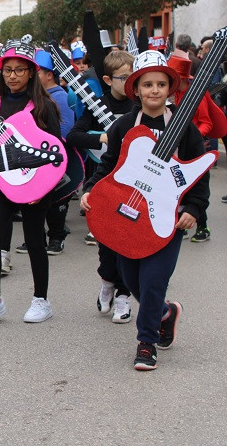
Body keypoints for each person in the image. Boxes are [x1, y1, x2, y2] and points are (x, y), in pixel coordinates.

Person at [81, 50, 208, 370]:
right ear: (135, 89)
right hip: (126, 215)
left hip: (167, 217)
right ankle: (165, 313)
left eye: (161, 84)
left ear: (170, 88)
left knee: (153, 281)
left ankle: (146, 342)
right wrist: (90, 190)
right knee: (130, 278)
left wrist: (193, 207)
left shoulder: (184, 128)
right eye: (147, 84)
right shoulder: (124, 125)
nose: (154, 90)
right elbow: (108, 166)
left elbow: (199, 175)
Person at [0, 40, 62, 326]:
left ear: (31, 72)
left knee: (35, 240)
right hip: (1, 185)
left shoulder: (44, 106)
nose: (12, 75)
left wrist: (42, 189)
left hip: (36, 185)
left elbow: (56, 152)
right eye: (8, 70)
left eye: (19, 70)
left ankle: (41, 300)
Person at [67, 50, 135, 324]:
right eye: (124, 77)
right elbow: (74, 135)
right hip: (105, 182)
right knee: (106, 242)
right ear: (108, 79)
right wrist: (104, 138)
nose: (130, 82)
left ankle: (123, 296)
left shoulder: (139, 108)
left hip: (133, 186)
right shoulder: (97, 105)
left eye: (134, 77)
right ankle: (107, 281)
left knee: (129, 241)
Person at [166, 54, 213, 242]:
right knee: (179, 187)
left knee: (195, 187)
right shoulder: (175, 95)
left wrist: (194, 138)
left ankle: (203, 226)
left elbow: (206, 123)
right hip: (178, 150)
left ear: (181, 79)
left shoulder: (196, 97)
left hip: (193, 149)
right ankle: (181, 222)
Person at [33, 50, 75, 255]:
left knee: (56, 201)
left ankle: (57, 238)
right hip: (38, 157)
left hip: (56, 156)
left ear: (49, 74)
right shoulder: (36, 97)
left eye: (38, 72)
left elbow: (66, 127)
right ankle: (37, 238)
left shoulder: (61, 96)